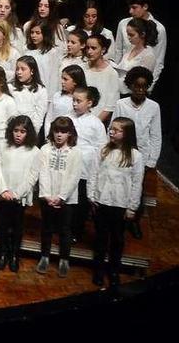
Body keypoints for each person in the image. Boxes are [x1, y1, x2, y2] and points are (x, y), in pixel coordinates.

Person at [89, 117, 144, 288]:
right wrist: (91, 196)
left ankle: (113, 271)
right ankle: (98, 270)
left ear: (126, 134)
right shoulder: (103, 150)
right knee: (101, 238)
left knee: (117, 240)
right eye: (111, 129)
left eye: (116, 130)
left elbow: (137, 182)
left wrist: (132, 207)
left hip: (121, 204)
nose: (111, 132)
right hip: (102, 201)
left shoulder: (135, 156)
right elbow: (93, 174)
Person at [113, 67, 160, 240]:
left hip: (142, 154)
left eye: (144, 87)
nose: (140, 90)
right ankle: (118, 219)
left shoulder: (154, 107)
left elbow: (155, 135)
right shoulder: (121, 104)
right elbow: (114, 127)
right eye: (137, 86)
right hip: (121, 152)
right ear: (131, 85)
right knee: (119, 184)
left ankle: (133, 221)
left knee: (137, 189)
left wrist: (151, 161)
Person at [0, 115, 41, 272]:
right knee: (2, 225)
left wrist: (17, 193)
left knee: (18, 227)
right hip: (3, 193)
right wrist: (4, 190)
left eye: (23, 131)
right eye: (16, 130)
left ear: (29, 133)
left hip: (20, 197)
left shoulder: (34, 151)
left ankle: (14, 255)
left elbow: (33, 176)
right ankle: (2, 253)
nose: (18, 134)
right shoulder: (3, 146)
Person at [36, 116, 82, 277]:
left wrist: (61, 197)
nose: (59, 135)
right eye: (56, 131)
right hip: (48, 196)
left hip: (66, 199)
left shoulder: (75, 153)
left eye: (64, 132)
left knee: (65, 229)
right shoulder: (45, 149)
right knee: (47, 228)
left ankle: (64, 259)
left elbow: (73, 177)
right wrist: (48, 196)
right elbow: (43, 173)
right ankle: (44, 256)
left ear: (70, 133)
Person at [70, 86, 109, 244]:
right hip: (69, 166)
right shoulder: (68, 118)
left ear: (90, 103)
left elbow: (101, 148)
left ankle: (76, 230)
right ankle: (63, 227)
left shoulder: (96, 123)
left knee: (80, 202)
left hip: (85, 168)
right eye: (73, 100)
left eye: (78, 101)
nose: (74, 104)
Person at [112, 0, 166, 87]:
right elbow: (118, 51)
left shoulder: (159, 28)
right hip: (121, 82)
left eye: (134, 7)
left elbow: (158, 61)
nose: (130, 11)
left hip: (141, 83)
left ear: (145, 6)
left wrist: (149, 87)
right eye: (129, 8)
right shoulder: (123, 24)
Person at [113, 17, 158, 95]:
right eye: (127, 34)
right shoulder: (131, 48)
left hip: (132, 96)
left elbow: (142, 82)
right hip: (119, 92)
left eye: (131, 35)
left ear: (142, 34)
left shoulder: (148, 55)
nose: (128, 37)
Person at [84, 34, 120, 123]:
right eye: (87, 48)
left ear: (103, 50)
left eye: (93, 48)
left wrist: (95, 123)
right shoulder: (82, 68)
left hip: (100, 121)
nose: (89, 51)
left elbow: (111, 105)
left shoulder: (111, 73)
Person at [10, 56, 48, 134]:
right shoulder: (10, 87)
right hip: (11, 131)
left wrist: (31, 135)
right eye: (17, 69)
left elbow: (38, 118)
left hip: (30, 133)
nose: (19, 72)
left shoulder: (41, 90)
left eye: (23, 69)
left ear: (32, 71)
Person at [45, 65, 86, 136]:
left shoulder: (81, 100)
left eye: (65, 79)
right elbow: (49, 118)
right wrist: (48, 135)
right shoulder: (57, 96)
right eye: (62, 78)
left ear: (75, 81)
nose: (62, 82)